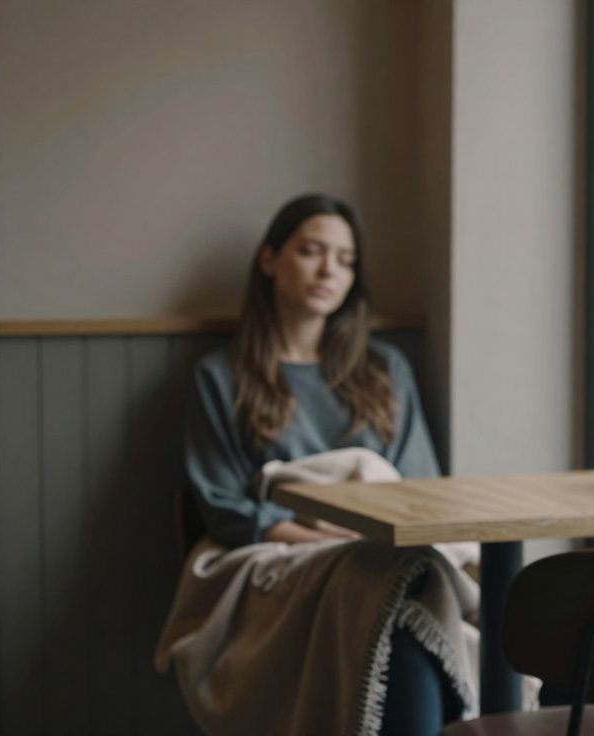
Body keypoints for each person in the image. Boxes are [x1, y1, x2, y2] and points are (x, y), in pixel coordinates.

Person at [183, 193, 460, 735]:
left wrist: (371, 538)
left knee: (413, 600)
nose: (329, 270)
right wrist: (324, 542)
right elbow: (221, 503)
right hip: (276, 555)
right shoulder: (221, 376)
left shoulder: (385, 370)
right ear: (270, 259)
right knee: (394, 612)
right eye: (311, 251)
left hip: (383, 547)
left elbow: (418, 485)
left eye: (345, 259)